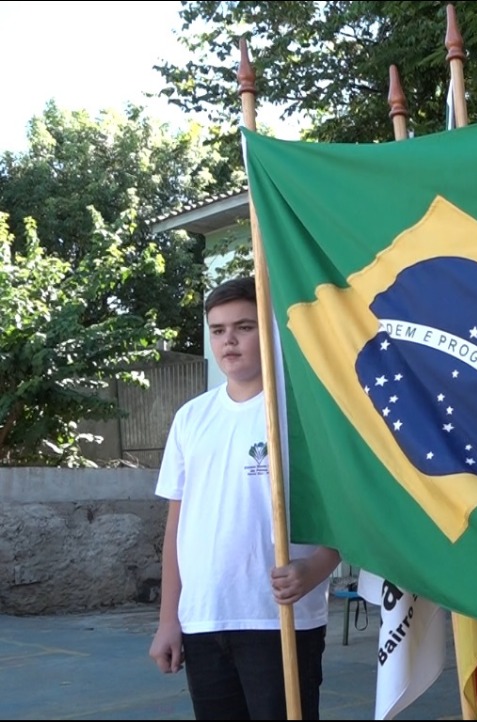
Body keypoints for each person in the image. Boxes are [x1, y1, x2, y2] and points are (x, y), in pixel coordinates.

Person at [147, 277, 342, 720]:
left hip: (277, 620)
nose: (228, 340)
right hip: (204, 620)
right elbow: (177, 528)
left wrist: (316, 566)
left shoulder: (305, 415)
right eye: (217, 330)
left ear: (270, 329)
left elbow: (343, 512)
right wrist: (168, 620)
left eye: (244, 327)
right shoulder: (191, 418)